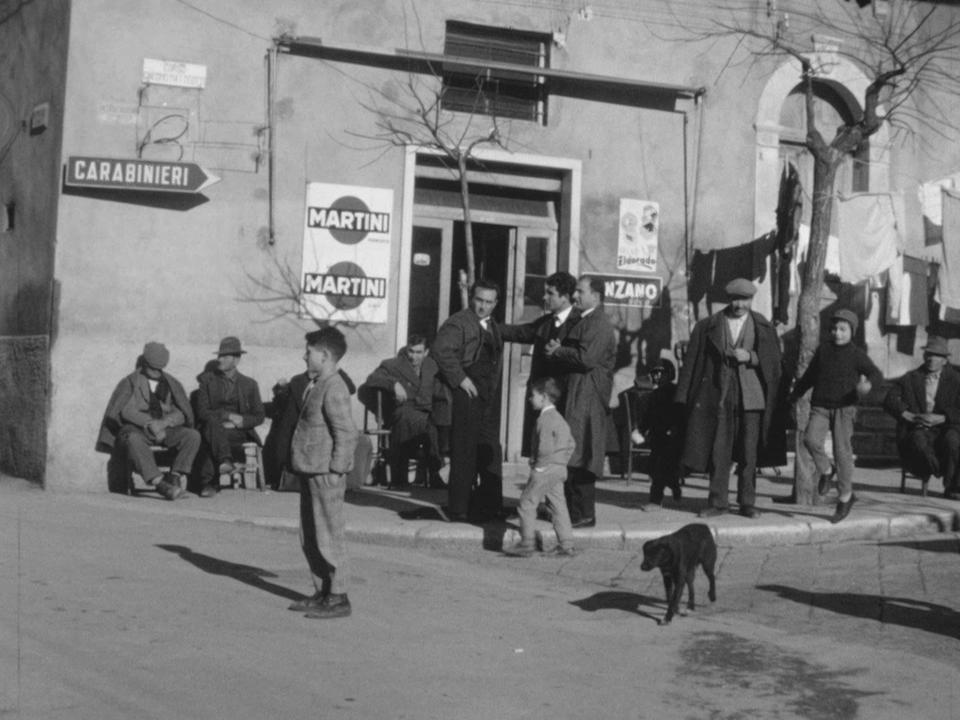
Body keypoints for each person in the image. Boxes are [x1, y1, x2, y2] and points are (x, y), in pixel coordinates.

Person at [675, 278, 782, 519]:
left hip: (752, 398)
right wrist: (682, 398)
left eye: (744, 299)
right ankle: (717, 502)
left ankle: (747, 503)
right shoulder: (707, 326)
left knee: (749, 454)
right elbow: (691, 364)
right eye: (735, 299)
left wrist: (751, 357)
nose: (739, 304)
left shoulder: (763, 326)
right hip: (718, 396)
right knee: (718, 452)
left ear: (751, 300)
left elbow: (775, 364)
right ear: (728, 299)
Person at [287, 326, 359, 620]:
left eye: (310, 352)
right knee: (311, 534)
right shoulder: (319, 382)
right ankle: (323, 591)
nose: (305, 356)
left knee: (330, 534)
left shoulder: (335, 386)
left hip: (326, 472)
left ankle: (339, 596)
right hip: (310, 469)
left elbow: (346, 432)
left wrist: (336, 469)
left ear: (325, 355)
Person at [791, 309, 882, 522]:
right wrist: (795, 394)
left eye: (843, 329)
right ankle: (825, 469)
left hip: (845, 408)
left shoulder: (856, 354)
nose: (837, 333)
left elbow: (875, 374)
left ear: (852, 331)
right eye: (834, 329)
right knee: (810, 439)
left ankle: (845, 498)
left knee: (843, 453)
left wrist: (867, 385)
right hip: (821, 406)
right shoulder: (823, 350)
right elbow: (810, 376)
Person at [546, 275, 617, 527]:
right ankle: (573, 511)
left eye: (580, 291)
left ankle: (584, 514)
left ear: (595, 296)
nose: (575, 296)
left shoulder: (598, 323)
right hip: (578, 393)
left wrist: (559, 350)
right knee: (574, 451)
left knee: (583, 453)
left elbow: (587, 359)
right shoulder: (587, 319)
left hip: (587, 397)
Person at [431, 279, 505, 522]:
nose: (483, 306)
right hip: (468, 394)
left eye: (488, 302)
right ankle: (459, 508)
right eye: (479, 300)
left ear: (495, 303)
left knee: (490, 450)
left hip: (487, 397)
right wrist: (461, 379)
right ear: (472, 298)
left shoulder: (491, 324)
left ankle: (489, 505)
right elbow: (441, 349)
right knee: (464, 451)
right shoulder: (459, 322)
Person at [96, 342, 200, 500]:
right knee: (132, 439)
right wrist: (150, 423)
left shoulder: (171, 384)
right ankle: (160, 483)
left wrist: (164, 423)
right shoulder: (131, 382)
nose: (155, 372)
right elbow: (125, 411)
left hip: (165, 428)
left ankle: (174, 476)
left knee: (192, 436)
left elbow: (181, 412)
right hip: (137, 429)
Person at [500, 271, 580, 456]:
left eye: (550, 293)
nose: (545, 297)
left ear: (565, 297)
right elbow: (521, 332)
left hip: (566, 401)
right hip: (544, 398)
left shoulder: (580, 323)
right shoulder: (546, 322)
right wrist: (489, 327)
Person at [359, 334, 448, 489]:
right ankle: (423, 475)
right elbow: (372, 379)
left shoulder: (432, 365)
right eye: (411, 351)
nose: (414, 356)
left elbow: (441, 389)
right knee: (420, 422)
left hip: (427, 411)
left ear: (426, 352)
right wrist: (393, 383)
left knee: (438, 421)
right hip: (403, 411)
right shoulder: (392, 365)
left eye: (419, 352)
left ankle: (433, 473)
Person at [504, 377, 576, 557]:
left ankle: (527, 543)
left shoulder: (544, 419)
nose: (530, 399)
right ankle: (566, 544)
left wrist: (539, 466)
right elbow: (572, 444)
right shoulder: (559, 418)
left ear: (544, 397)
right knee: (558, 504)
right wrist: (561, 462)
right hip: (559, 469)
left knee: (526, 503)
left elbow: (544, 447)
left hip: (545, 468)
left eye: (533, 396)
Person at [883, 335, 960, 501]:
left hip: (944, 428)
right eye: (929, 355)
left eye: (937, 356)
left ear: (945, 360)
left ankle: (953, 486)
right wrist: (909, 415)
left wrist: (942, 418)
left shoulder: (956, 380)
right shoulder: (911, 378)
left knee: (953, 440)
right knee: (917, 441)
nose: (931, 359)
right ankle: (944, 472)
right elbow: (889, 400)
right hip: (917, 429)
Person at [194, 337, 265, 497]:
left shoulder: (249, 384)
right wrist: (227, 415)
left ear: (237, 359)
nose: (220, 359)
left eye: (225, 356)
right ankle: (224, 463)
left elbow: (259, 415)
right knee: (211, 427)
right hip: (213, 428)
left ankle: (211, 482)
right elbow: (202, 412)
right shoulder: (207, 381)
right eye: (220, 356)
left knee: (212, 435)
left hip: (238, 433)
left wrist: (241, 422)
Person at [629, 360, 683, 507]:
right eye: (655, 373)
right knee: (656, 468)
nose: (658, 376)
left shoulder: (675, 392)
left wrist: (674, 429)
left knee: (660, 468)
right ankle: (674, 485)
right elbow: (648, 416)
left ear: (669, 374)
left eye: (661, 373)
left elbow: (679, 414)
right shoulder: (654, 394)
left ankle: (655, 500)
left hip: (670, 437)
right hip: (657, 436)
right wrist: (640, 430)